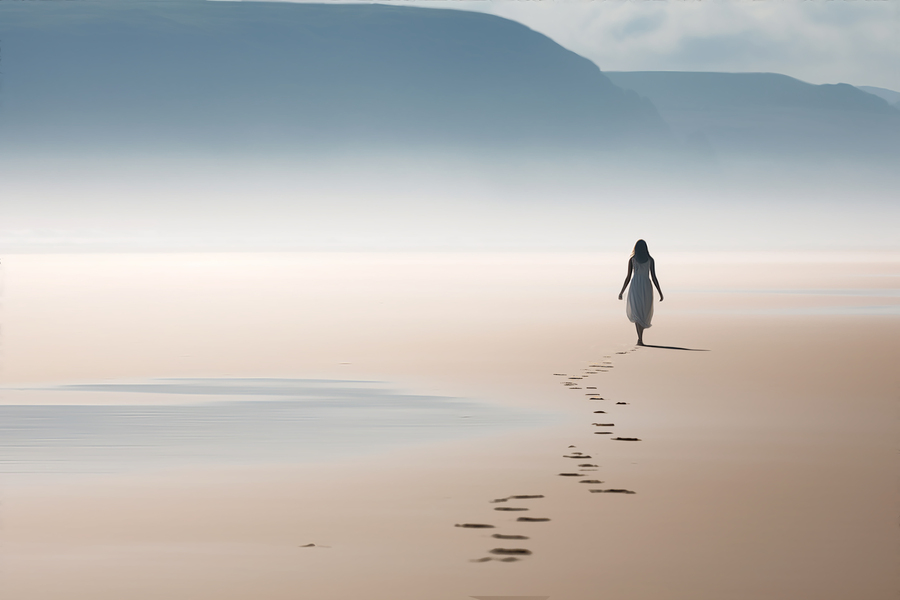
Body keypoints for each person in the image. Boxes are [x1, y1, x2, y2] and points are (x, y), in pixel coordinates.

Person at [617, 239, 663, 346]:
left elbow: (628, 277)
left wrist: (622, 291)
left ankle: (640, 338)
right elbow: (654, 277)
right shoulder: (649, 260)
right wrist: (660, 292)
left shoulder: (633, 260)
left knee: (638, 311)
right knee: (642, 311)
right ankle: (640, 339)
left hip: (635, 286)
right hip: (646, 286)